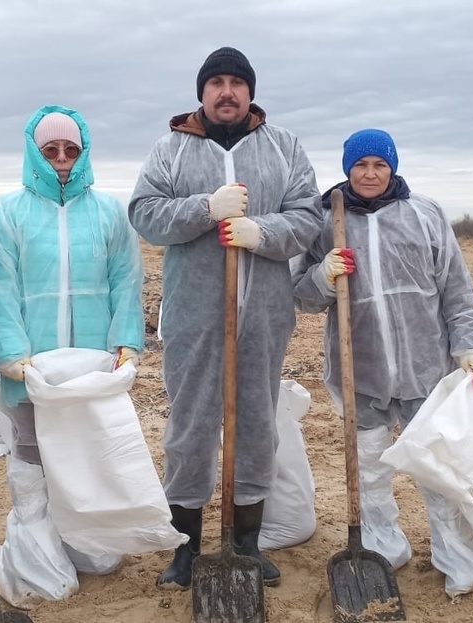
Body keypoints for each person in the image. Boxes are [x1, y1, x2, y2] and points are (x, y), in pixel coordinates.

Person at [129, 47, 323, 589]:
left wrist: (262, 234)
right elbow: (145, 214)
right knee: (190, 425)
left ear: (250, 92)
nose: (227, 91)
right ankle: (186, 547)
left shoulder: (284, 148)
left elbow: (307, 216)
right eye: (216, 82)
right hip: (194, 314)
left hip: (263, 314)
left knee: (257, 423)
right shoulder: (170, 151)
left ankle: (246, 543)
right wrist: (203, 209)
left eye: (237, 82)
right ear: (201, 92)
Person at [291, 128, 473, 597]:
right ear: (347, 169)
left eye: (379, 164)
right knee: (370, 472)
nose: (370, 173)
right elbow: (299, 297)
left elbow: (456, 288)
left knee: (438, 470)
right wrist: (322, 275)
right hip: (360, 371)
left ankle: (458, 557)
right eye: (360, 165)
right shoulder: (325, 220)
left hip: (427, 370)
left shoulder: (425, 214)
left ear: (393, 167)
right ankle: (384, 548)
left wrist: (469, 344)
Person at [0, 105, 144, 577]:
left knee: (87, 449)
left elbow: (126, 280)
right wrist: (10, 352)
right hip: (32, 365)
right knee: (32, 453)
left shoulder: (108, 211)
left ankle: (87, 542)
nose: (60, 157)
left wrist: (126, 341)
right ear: (34, 151)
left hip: (91, 364)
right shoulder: (9, 213)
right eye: (50, 148)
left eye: (70, 149)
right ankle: (39, 547)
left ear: (83, 152)